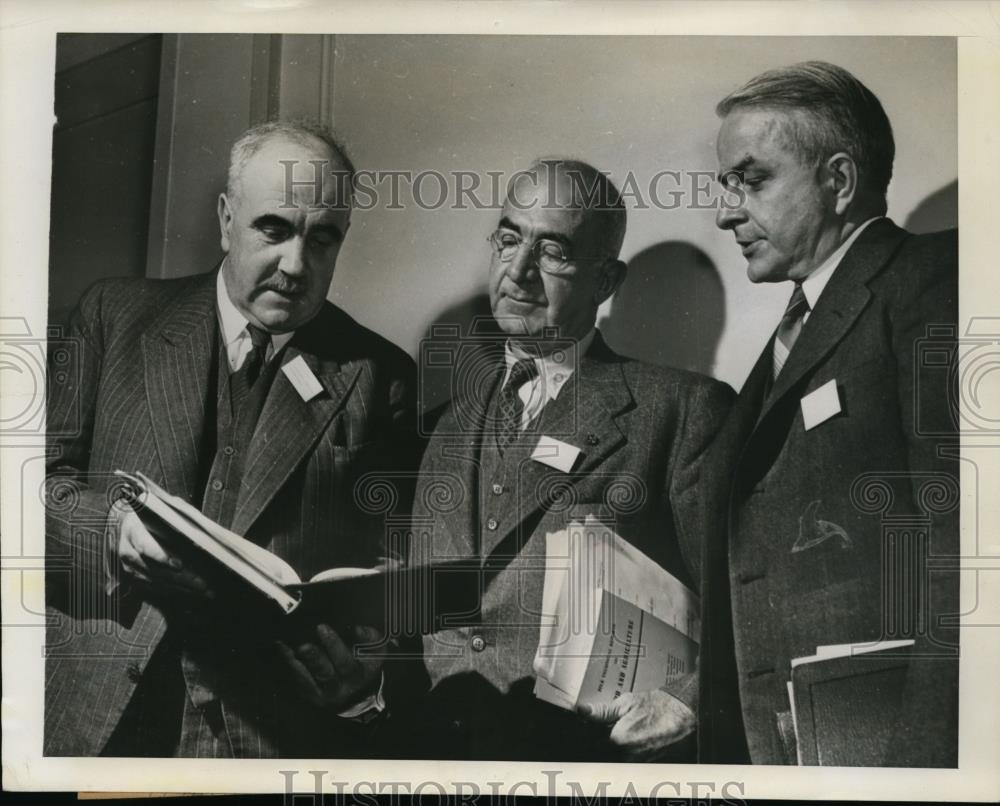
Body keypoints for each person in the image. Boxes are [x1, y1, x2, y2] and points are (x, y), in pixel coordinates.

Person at [44, 121, 416, 757]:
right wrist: (108, 530)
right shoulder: (114, 315)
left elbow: (399, 566)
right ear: (225, 220)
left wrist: (368, 663)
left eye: (322, 239)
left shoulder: (380, 376)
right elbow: (25, 489)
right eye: (273, 229)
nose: (295, 265)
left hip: (265, 733)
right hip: (96, 711)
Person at [387, 159, 733, 761]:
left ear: (605, 281)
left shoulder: (680, 409)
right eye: (508, 239)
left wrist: (686, 699)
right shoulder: (446, 424)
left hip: (592, 763)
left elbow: (742, 598)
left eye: (554, 252)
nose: (518, 271)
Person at [701, 61, 959, 766]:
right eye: (727, 185)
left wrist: (923, 770)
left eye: (752, 180)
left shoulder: (936, 280)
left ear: (838, 181)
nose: (726, 211)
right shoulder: (799, 325)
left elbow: (969, 558)